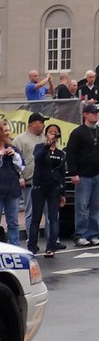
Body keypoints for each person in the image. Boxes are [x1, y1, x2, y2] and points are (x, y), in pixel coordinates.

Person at [27, 123, 67, 257]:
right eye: (50, 132)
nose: (53, 134)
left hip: (54, 189)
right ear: (46, 134)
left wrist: (63, 193)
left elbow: (62, 174)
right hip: (39, 187)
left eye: (55, 132)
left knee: (53, 218)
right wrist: (47, 144)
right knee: (36, 218)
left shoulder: (61, 154)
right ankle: (32, 246)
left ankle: (51, 246)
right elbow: (37, 158)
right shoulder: (40, 148)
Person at [65, 103, 99, 247]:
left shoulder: (98, 131)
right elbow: (71, 154)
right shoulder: (78, 132)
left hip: (97, 174)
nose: (96, 115)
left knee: (95, 206)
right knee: (82, 206)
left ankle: (94, 234)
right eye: (93, 112)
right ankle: (80, 234)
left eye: (97, 113)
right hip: (83, 175)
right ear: (85, 114)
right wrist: (74, 173)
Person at [13, 112, 46, 227]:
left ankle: (52, 240)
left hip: (46, 181)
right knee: (31, 212)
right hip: (30, 181)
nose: (44, 125)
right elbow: (15, 160)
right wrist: (20, 176)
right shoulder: (20, 140)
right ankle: (31, 239)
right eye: (41, 122)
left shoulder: (45, 138)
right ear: (33, 124)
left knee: (50, 213)